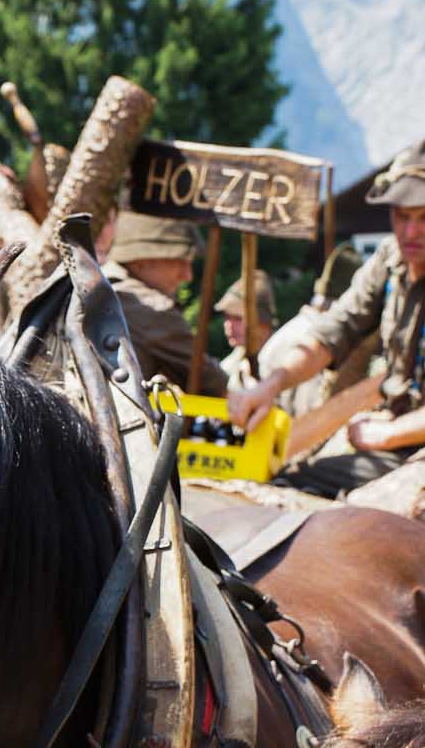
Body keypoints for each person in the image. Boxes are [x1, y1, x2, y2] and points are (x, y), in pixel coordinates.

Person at [228, 139, 425, 498]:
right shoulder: (390, 259)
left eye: (424, 217)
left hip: (406, 440)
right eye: (402, 216)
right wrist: (271, 384)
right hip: (390, 433)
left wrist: (388, 434)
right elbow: (334, 331)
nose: (410, 232)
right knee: (287, 484)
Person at [99, 210, 228, 394]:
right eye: (179, 261)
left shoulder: (96, 286)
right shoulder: (152, 309)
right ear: (142, 259)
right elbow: (214, 384)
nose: (187, 276)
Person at [214, 270, 278, 381]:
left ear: (263, 321)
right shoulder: (231, 363)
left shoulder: (282, 358)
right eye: (227, 317)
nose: (229, 325)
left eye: (238, 318)